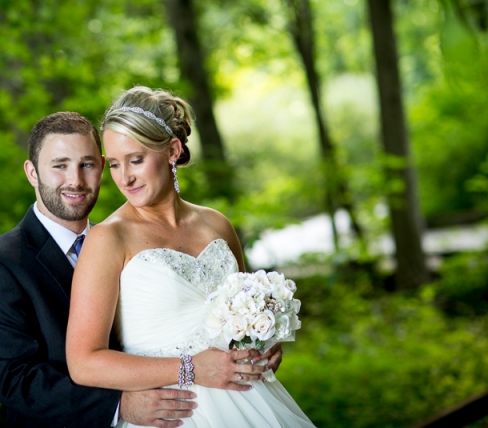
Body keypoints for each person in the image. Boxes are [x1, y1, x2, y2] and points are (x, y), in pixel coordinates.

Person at [0, 112, 262, 428]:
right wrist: (118, 405)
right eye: (60, 165)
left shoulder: (126, 241)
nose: (75, 180)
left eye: (87, 165)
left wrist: (256, 340)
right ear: (32, 173)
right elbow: (16, 381)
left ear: (102, 167)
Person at [66, 88, 316, 427]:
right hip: (174, 411)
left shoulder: (217, 225)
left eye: (136, 159)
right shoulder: (108, 239)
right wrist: (191, 368)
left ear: (172, 150)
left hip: (252, 401)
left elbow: (239, 319)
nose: (124, 177)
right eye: (114, 164)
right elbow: (84, 362)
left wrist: (264, 343)